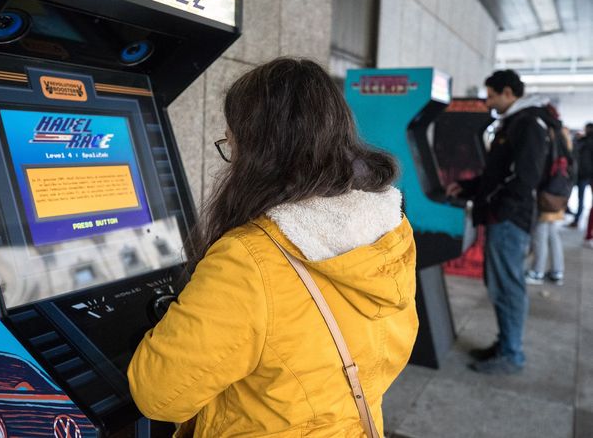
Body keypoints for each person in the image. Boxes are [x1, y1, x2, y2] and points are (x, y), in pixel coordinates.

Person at [126, 58, 418, 437]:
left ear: (259, 153)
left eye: (231, 143)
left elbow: (158, 396)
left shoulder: (248, 261)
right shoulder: (391, 231)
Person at [446, 69, 549, 375]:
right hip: (503, 217)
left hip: (508, 220)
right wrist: (468, 187)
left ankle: (512, 353)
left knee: (507, 287)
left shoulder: (527, 123)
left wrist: (496, 208)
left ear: (508, 92)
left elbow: (524, 178)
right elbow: (498, 175)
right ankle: (505, 344)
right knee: (500, 284)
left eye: (491, 95)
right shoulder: (515, 123)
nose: (488, 101)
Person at [525, 124, 573, 286]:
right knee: (553, 234)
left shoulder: (550, 147)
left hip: (546, 197)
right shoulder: (565, 146)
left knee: (540, 233)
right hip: (558, 197)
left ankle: (537, 271)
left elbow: (541, 171)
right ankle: (557, 271)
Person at [569, 123, 593, 228]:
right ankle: (577, 219)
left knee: (581, 198)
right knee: (580, 198)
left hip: (585, 174)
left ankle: (577, 220)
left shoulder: (585, 141)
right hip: (583, 174)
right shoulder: (583, 140)